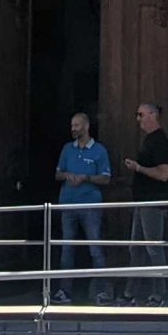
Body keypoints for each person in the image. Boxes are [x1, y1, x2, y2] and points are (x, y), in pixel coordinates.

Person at [51, 110, 113, 303]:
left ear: (86, 126)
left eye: (76, 125)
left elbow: (106, 178)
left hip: (90, 206)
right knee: (67, 248)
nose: (73, 129)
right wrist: (67, 175)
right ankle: (64, 291)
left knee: (95, 248)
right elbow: (57, 174)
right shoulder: (67, 149)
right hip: (68, 203)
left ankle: (101, 291)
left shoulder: (99, 151)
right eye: (72, 126)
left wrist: (86, 178)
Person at [120, 101, 168, 305]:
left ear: (152, 115)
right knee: (136, 249)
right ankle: (130, 293)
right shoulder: (150, 140)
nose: (138, 119)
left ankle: (159, 294)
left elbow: (163, 174)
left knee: (153, 248)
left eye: (141, 114)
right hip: (142, 202)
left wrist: (138, 168)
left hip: (153, 202)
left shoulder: (160, 141)